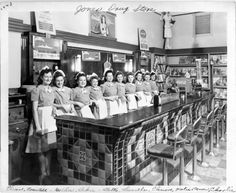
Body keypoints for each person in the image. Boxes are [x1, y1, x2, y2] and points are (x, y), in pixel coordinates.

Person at [25, 66, 57, 185]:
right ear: (42, 77)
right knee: (41, 149)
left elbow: (52, 103)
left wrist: (53, 109)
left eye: (50, 77)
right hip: (41, 120)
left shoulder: (52, 89)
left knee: (50, 148)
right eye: (46, 76)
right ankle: (42, 174)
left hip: (51, 121)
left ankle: (48, 173)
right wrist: (37, 127)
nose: (48, 78)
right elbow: (34, 109)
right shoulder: (36, 90)